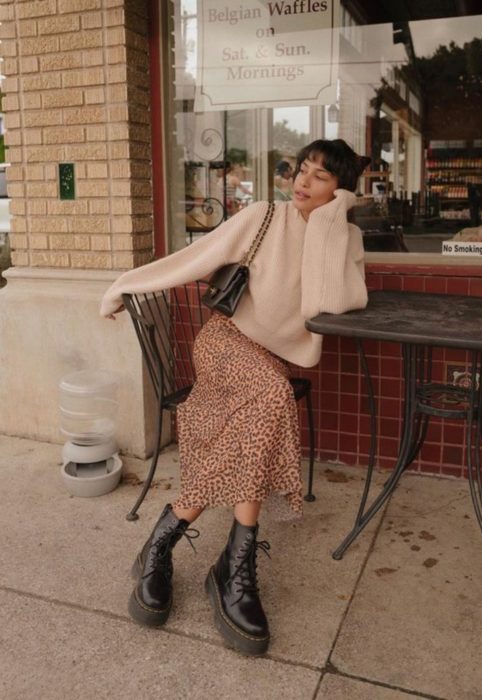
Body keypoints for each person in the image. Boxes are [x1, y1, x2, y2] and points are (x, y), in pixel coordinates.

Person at [100, 138, 370, 656]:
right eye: (302, 170)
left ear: (342, 192)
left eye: (320, 178)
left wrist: (331, 224)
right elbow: (194, 257)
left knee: (263, 410)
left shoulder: (344, 237)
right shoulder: (263, 215)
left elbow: (329, 301)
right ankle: (234, 569)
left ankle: (167, 538)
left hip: (269, 359)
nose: (303, 183)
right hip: (224, 343)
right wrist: (122, 285)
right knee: (273, 400)